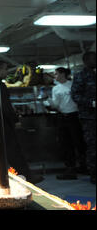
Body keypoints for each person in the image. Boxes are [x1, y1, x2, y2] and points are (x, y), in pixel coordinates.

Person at [0, 60, 43, 184]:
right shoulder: (0, 86)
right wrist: (15, 120)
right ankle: (26, 176)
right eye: (5, 69)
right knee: (14, 151)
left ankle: (20, 175)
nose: (7, 72)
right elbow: (6, 107)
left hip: (0, 123)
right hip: (6, 124)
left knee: (9, 151)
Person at [44, 67, 87, 179]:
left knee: (79, 142)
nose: (55, 76)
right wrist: (48, 101)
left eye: (56, 74)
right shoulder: (55, 89)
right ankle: (70, 168)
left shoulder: (73, 85)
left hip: (75, 116)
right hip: (63, 117)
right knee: (66, 143)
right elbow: (56, 105)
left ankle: (85, 166)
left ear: (63, 74)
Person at [71, 51, 96, 184]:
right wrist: (91, 103)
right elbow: (75, 95)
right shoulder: (81, 76)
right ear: (86, 61)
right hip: (89, 118)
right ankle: (94, 173)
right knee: (93, 146)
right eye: (93, 59)